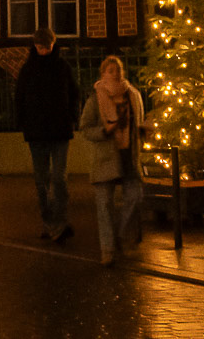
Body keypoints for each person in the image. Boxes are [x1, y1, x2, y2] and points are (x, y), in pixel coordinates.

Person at [80, 55, 147, 265]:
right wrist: (104, 131)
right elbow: (85, 128)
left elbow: (138, 122)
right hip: (105, 158)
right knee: (104, 206)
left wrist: (143, 130)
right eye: (110, 70)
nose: (115, 74)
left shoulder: (133, 95)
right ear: (103, 74)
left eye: (118, 70)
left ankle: (121, 234)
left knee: (135, 196)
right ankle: (107, 250)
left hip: (129, 155)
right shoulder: (95, 98)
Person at [16, 28, 82, 243]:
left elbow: (74, 94)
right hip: (37, 132)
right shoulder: (28, 69)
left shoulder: (62, 67)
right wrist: (24, 122)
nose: (44, 51)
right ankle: (50, 221)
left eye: (47, 47)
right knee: (41, 181)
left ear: (53, 45)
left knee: (59, 179)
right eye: (40, 47)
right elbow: (19, 97)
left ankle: (58, 222)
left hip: (59, 130)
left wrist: (72, 117)